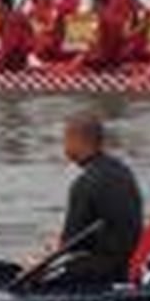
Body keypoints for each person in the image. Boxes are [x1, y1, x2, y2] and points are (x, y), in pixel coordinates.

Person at [25, 114, 143, 287]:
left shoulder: (85, 184)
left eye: (65, 140)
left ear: (76, 141)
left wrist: (38, 263)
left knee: (32, 277)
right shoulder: (122, 171)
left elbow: (70, 244)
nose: (64, 147)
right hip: (127, 261)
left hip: (101, 272)